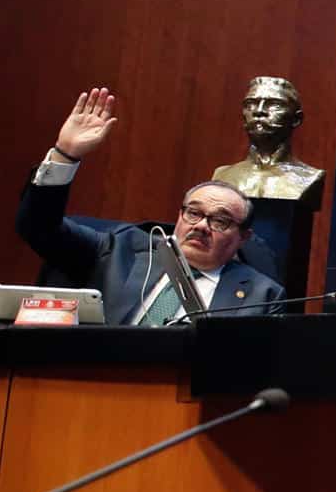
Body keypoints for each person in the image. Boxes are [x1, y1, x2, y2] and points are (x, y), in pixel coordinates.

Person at [16, 87, 285, 325]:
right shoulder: (119, 252)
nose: (202, 226)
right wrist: (65, 154)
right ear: (179, 215)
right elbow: (39, 227)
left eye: (220, 221)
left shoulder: (262, 296)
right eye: (193, 213)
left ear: (243, 238)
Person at [212, 76, 326, 200]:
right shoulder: (222, 175)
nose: (259, 111)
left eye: (275, 105)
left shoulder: (309, 177)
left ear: (296, 119)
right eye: (250, 104)